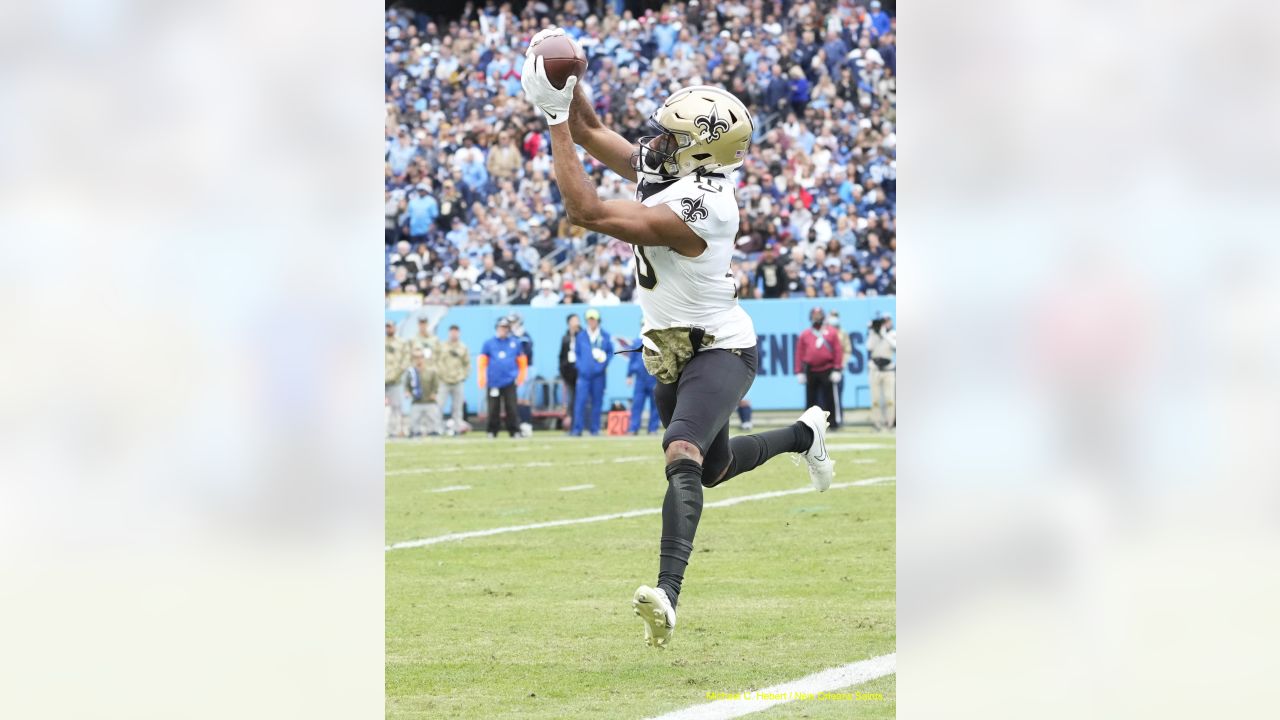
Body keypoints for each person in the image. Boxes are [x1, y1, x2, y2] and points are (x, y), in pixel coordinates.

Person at [523, 29, 834, 649]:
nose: (659, 143)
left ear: (702, 155)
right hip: (670, 349)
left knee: (682, 452)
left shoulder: (705, 206)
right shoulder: (679, 168)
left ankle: (668, 594)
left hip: (721, 346)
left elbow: (586, 212)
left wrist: (554, 117)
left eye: (675, 138)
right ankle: (806, 435)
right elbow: (589, 132)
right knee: (712, 469)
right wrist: (566, 75)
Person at [478, 317, 527, 438]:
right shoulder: (489, 343)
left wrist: (521, 377)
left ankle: (514, 430)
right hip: (493, 381)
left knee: (511, 407)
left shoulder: (515, 343)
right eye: (501, 327)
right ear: (497, 328)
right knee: (493, 408)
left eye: (505, 328)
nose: (503, 330)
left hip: (509, 380)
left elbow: (522, 362)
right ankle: (492, 431)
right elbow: (482, 362)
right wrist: (482, 378)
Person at [795, 307, 844, 430]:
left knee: (830, 399)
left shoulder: (831, 332)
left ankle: (832, 423)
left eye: (819, 315)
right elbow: (799, 353)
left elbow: (838, 351)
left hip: (827, 368)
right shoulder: (805, 334)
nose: (817, 318)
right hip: (811, 370)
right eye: (814, 315)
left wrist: (837, 368)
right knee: (811, 399)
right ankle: (809, 425)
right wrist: (799, 371)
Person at [571, 308, 612, 436]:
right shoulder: (581, 336)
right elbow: (576, 353)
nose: (591, 322)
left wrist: (602, 365)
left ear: (598, 320)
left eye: (593, 319)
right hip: (584, 375)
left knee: (597, 402)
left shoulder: (605, 336)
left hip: (599, 376)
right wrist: (580, 366)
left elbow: (610, 353)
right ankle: (577, 429)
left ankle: (594, 429)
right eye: (589, 319)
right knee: (580, 402)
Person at [437, 324, 471, 433]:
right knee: (439, 405)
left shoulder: (463, 347)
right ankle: (437, 428)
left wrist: (463, 376)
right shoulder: (442, 346)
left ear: (459, 333)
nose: (454, 334)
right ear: (449, 333)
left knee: (457, 407)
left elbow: (467, 364)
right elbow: (436, 362)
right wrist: (440, 375)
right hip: (444, 381)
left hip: (457, 381)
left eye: (456, 332)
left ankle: (457, 428)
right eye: (452, 332)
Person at [624, 337, 661, 435]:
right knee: (637, 404)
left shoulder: (657, 340)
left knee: (655, 405)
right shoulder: (636, 342)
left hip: (654, 377)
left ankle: (653, 429)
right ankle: (633, 428)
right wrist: (629, 375)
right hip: (640, 379)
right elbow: (632, 359)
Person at [867, 313, 896, 431]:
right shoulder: (874, 334)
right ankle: (877, 423)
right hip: (875, 370)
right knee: (875, 399)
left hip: (888, 370)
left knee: (889, 398)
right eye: (883, 322)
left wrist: (884, 334)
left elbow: (895, 346)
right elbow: (869, 347)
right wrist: (873, 333)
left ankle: (889, 423)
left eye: (887, 321)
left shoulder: (893, 334)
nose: (884, 324)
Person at [405, 348, 442, 437]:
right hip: (416, 402)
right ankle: (416, 432)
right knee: (414, 424)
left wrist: (434, 393)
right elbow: (407, 385)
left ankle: (433, 431)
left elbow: (436, 383)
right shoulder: (411, 372)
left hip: (429, 401)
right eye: (416, 357)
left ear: (424, 358)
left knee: (433, 422)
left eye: (420, 357)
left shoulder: (431, 371)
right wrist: (407, 392)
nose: (418, 359)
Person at [384, 320, 411, 438]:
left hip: (395, 380)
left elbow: (405, 361)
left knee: (396, 406)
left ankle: (394, 431)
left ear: (395, 328)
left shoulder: (401, 343)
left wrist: (396, 374)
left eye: (390, 327)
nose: (388, 329)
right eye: (387, 327)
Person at [827, 311, 853, 428]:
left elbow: (847, 350)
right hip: (824, 368)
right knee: (823, 397)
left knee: (837, 396)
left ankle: (838, 420)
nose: (833, 319)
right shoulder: (823, 331)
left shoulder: (842, 333)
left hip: (838, 369)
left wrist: (840, 366)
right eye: (832, 316)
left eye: (835, 316)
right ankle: (824, 422)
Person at [558, 313, 581, 430]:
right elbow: (561, 357)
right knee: (571, 401)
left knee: (583, 400)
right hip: (570, 374)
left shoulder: (583, 336)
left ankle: (583, 424)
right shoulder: (565, 338)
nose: (576, 322)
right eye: (573, 320)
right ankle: (573, 425)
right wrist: (563, 373)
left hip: (581, 373)